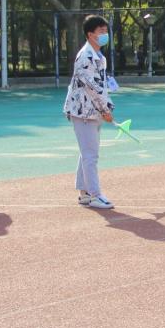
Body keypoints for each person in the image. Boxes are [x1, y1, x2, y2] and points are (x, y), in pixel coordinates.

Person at [63, 15, 116, 209]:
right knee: (90, 155)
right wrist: (106, 109)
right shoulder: (85, 57)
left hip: (93, 112)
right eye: (101, 31)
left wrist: (105, 108)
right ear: (90, 34)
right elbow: (92, 87)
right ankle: (95, 195)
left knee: (87, 152)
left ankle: (84, 193)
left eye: (105, 31)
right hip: (83, 112)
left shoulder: (99, 57)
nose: (104, 34)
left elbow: (101, 86)